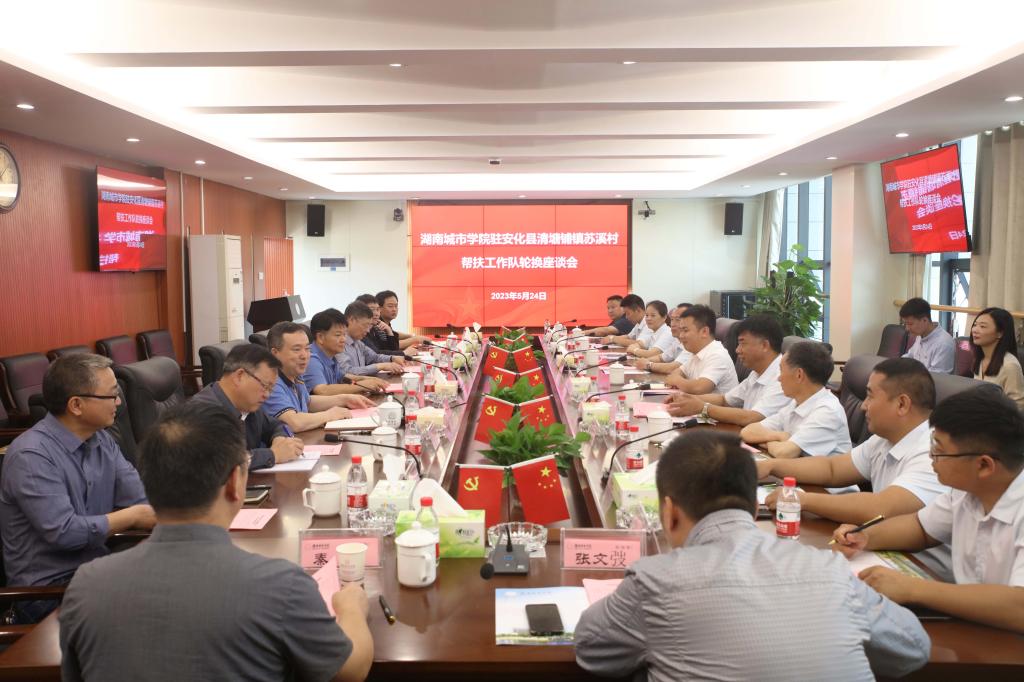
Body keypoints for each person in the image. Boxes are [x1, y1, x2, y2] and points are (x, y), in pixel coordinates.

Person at [574, 430, 930, 681]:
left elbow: (591, 649)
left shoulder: (655, 581)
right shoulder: (831, 569)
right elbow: (913, 648)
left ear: (669, 513)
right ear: (753, 504)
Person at [59, 401, 374, 681]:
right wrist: (351, 607)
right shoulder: (280, 584)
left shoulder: (86, 586)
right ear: (235, 483)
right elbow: (351, 669)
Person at [831, 388, 1024, 634]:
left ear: (984, 465)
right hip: (971, 628)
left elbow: (1019, 607)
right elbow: (920, 528)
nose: (931, 456)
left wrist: (912, 589)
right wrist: (866, 536)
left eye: (939, 451)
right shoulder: (965, 491)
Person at [758, 358, 951, 579]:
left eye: (870, 396)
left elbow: (881, 507)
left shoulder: (934, 450)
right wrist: (771, 466)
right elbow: (832, 469)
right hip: (884, 551)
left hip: (927, 573)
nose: (862, 405)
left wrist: (801, 500)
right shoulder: (884, 439)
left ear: (902, 404)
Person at [0, 353, 154, 622]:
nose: (118, 402)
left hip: (94, 573)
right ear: (76, 405)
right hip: (46, 594)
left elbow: (139, 498)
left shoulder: (102, 441)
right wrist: (133, 516)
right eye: (112, 395)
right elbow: (65, 533)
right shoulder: (31, 455)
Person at [190, 343, 304, 470]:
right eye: (265, 386)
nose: (267, 395)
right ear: (239, 376)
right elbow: (221, 462)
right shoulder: (202, 412)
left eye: (270, 389)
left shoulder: (248, 405)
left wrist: (279, 438)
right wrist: (274, 454)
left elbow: (277, 425)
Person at [664, 314, 790, 426]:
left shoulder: (783, 377)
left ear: (764, 345)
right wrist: (686, 399)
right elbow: (725, 400)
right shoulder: (757, 373)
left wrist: (703, 408)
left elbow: (753, 417)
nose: (737, 350)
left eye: (743, 343)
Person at [740, 341, 850, 458]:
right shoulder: (796, 403)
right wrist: (780, 436)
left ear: (799, 375)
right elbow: (747, 432)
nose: (778, 378)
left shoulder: (827, 411)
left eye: (781, 370)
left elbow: (784, 453)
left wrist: (771, 441)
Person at [263, 321, 375, 432]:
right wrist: (330, 415)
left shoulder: (294, 374)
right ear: (275, 353)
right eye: (297, 349)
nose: (304, 355)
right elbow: (293, 422)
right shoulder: (269, 382)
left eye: (307, 348)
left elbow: (308, 402)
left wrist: (345, 399)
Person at [648, 305, 738, 395]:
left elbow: (699, 388)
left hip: (709, 404)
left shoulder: (717, 355)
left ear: (704, 332)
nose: (681, 336)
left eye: (685, 330)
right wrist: (678, 380)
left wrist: (677, 381)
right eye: (681, 330)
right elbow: (677, 372)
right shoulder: (696, 352)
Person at [303, 308, 388, 395]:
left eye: (344, 334)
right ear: (320, 337)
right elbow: (322, 390)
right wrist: (362, 386)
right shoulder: (310, 358)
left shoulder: (330, 356)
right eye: (338, 335)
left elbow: (343, 376)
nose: (343, 339)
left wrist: (369, 380)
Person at [969, 306, 1024, 410]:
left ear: (1000, 333)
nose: (975, 330)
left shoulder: (1010, 365)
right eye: (975, 325)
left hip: (1000, 418)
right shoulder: (980, 358)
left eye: (983, 326)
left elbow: (1018, 406)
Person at [340, 301, 406, 380]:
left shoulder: (357, 342)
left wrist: (392, 358)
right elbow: (346, 372)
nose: (368, 330)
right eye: (365, 325)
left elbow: (374, 357)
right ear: (352, 320)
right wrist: (380, 366)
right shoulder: (339, 343)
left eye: (369, 326)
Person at [899, 298, 955, 374]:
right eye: (905, 324)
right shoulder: (921, 335)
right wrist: (897, 364)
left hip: (930, 380)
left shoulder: (944, 343)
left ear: (925, 320)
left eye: (910, 324)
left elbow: (936, 376)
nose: (907, 328)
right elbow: (910, 356)